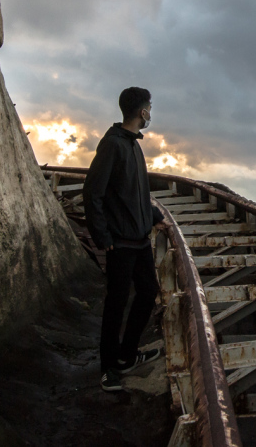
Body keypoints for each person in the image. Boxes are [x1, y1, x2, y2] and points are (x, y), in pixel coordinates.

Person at [83, 86, 164, 392]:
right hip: (120, 242)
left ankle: (127, 356)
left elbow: (138, 193)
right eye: (149, 108)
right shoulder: (113, 145)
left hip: (140, 240)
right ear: (142, 112)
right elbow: (93, 193)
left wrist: (156, 219)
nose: (150, 113)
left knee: (147, 293)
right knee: (116, 303)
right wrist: (102, 237)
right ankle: (108, 368)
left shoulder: (132, 145)